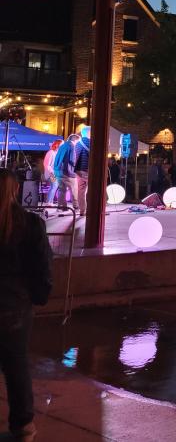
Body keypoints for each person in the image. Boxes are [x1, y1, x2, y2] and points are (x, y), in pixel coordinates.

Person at [0, 168, 53, 441]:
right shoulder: (30, 224)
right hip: (14, 307)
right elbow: (42, 265)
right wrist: (38, 295)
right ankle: (23, 425)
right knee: (16, 365)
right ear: (16, 190)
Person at [53, 134, 80, 212]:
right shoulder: (72, 146)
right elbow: (73, 161)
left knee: (62, 190)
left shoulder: (62, 146)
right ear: (75, 140)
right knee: (74, 189)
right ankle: (75, 206)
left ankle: (61, 207)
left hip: (58, 171)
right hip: (67, 172)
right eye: (78, 141)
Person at [73, 127, 91, 216]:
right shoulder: (93, 143)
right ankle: (91, 210)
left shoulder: (78, 144)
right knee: (91, 191)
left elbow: (75, 157)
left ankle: (82, 210)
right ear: (88, 133)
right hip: (89, 170)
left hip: (79, 171)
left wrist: (74, 170)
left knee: (81, 191)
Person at [42, 140, 61, 206]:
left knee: (55, 186)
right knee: (54, 185)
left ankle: (50, 201)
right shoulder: (50, 152)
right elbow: (46, 164)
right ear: (57, 145)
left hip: (54, 173)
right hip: (51, 174)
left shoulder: (56, 153)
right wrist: (53, 172)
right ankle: (49, 202)